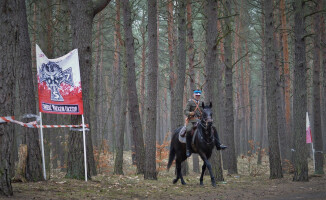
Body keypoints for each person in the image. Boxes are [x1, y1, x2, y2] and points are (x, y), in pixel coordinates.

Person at [184, 89, 227, 157]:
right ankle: (188, 149)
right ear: (194, 95)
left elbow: (206, 111)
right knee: (189, 130)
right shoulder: (190, 102)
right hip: (192, 120)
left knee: (213, 128)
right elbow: (185, 112)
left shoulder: (202, 103)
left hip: (201, 121)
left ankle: (218, 145)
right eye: (196, 95)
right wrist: (190, 113)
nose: (197, 96)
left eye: (199, 95)